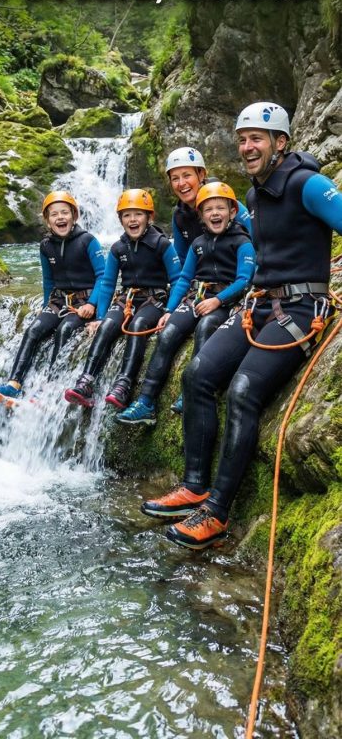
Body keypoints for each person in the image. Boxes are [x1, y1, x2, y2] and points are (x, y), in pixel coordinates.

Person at [141, 102, 342, 550]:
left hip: (301, 308)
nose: (247, 147)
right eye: (242, 139)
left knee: (243, 390)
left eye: (256, 138)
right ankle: (194, 486)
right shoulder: (253, 195)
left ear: (280, 142)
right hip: (260, 305)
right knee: (197, 374)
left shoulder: (308, 184)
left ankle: (216, 512)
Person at [116, 181, 255, 425]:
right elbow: (184, 279)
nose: (214, 214)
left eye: (220, 208)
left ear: (232, 212)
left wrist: (218, 300)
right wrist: (169, 310)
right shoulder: (198, 244)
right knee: (168, 332)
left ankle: (190, 390)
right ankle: (146, 401)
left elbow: (244, 280)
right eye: (208, 209)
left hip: (225, 301)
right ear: (200, 215)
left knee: (206, 326)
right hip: (197, 297)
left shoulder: (242, 242)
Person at [63, 189, 181, 409]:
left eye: (138, 214)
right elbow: (108, 283)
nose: (132, 220)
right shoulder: (118, 248)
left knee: (138, 324)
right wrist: (100, 316)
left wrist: (170, 311)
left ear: (149, 217)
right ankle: (86, 381)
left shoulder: (162, 245)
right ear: (120, 220)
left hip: (154, 300)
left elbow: (177, 280)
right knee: (108, 325)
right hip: (127, 299)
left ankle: (124, 383)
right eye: (127, 215)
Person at [0, 191, 105, 403]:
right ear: (48, 221)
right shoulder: (45, 246)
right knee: (33, 330)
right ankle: (14, 384)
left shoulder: (88, 241)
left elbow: (103, 276)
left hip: (83, 302)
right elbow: (48, 280)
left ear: (74, 216)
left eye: (65, 212)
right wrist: (44, 307)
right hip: (58, 301)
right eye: (54, 214)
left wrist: (94, 306)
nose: (60, 217)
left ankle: (48, 389)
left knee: (64, 330)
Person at [166, 146, 252, 413]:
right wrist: (175, 303)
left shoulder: (226, 201)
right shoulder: (180, 215)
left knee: (206, 325)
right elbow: (182, 261)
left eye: (187, 176)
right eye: (175, 178)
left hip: (234, 284)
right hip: (203, 285)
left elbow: (256, 242)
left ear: (201, 175)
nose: (181, 183)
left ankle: (195, 388)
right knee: (170, 331)